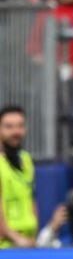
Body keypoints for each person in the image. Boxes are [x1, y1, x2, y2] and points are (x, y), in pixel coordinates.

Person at [0, 105, 37, 249]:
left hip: (27, 243)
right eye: (9, 127)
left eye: (20, 126)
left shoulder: (26, 159)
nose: (16, 131)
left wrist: (32, 238)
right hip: (5, 247)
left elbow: (32, 199)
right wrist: (18, 239)